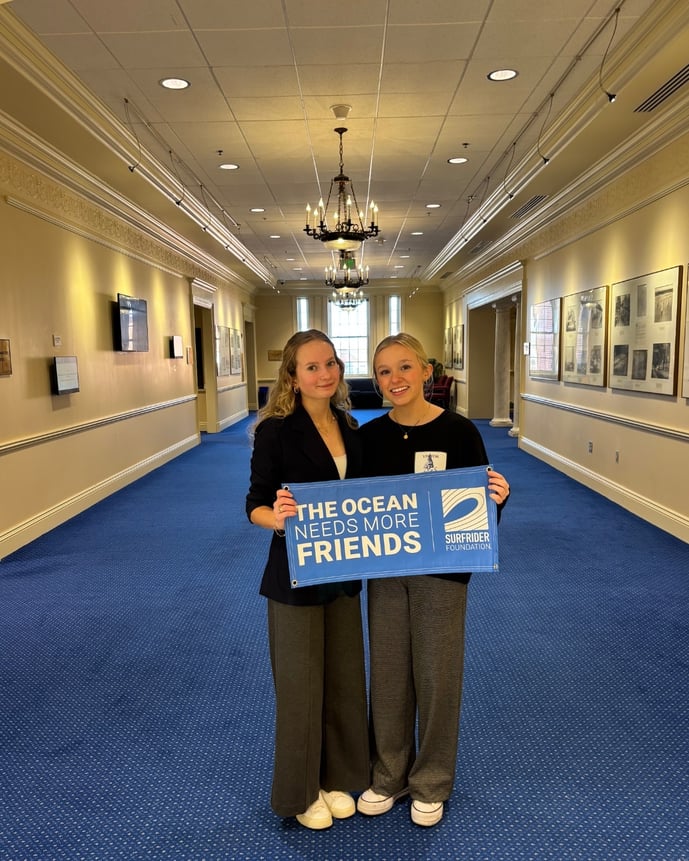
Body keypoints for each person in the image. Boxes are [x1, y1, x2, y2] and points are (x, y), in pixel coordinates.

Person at [356, 332, 510, 827]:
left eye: (404, 367)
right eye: (384, 371)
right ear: (376, 380)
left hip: (442, 574)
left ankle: (432, 781)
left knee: (437, 676)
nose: (394, 379)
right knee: (389, 675)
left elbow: (475, 509)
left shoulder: (461, 432)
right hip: (385, 573)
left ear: (426, 371)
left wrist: (497, 500)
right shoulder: (370, 437)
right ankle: (389, 776)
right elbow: (352, 508)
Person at [245, 329, 370, 830]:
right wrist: (274, 518)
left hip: (343, 576)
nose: (325, 373)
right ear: (293, 378)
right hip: (295, 576)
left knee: (342, 679)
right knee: (299, 688)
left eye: (331, 363)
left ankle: (336, 777)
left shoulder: (351, 425)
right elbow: (252, 501)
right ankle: (300, 791)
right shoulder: (275, 431)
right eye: (313, 367)